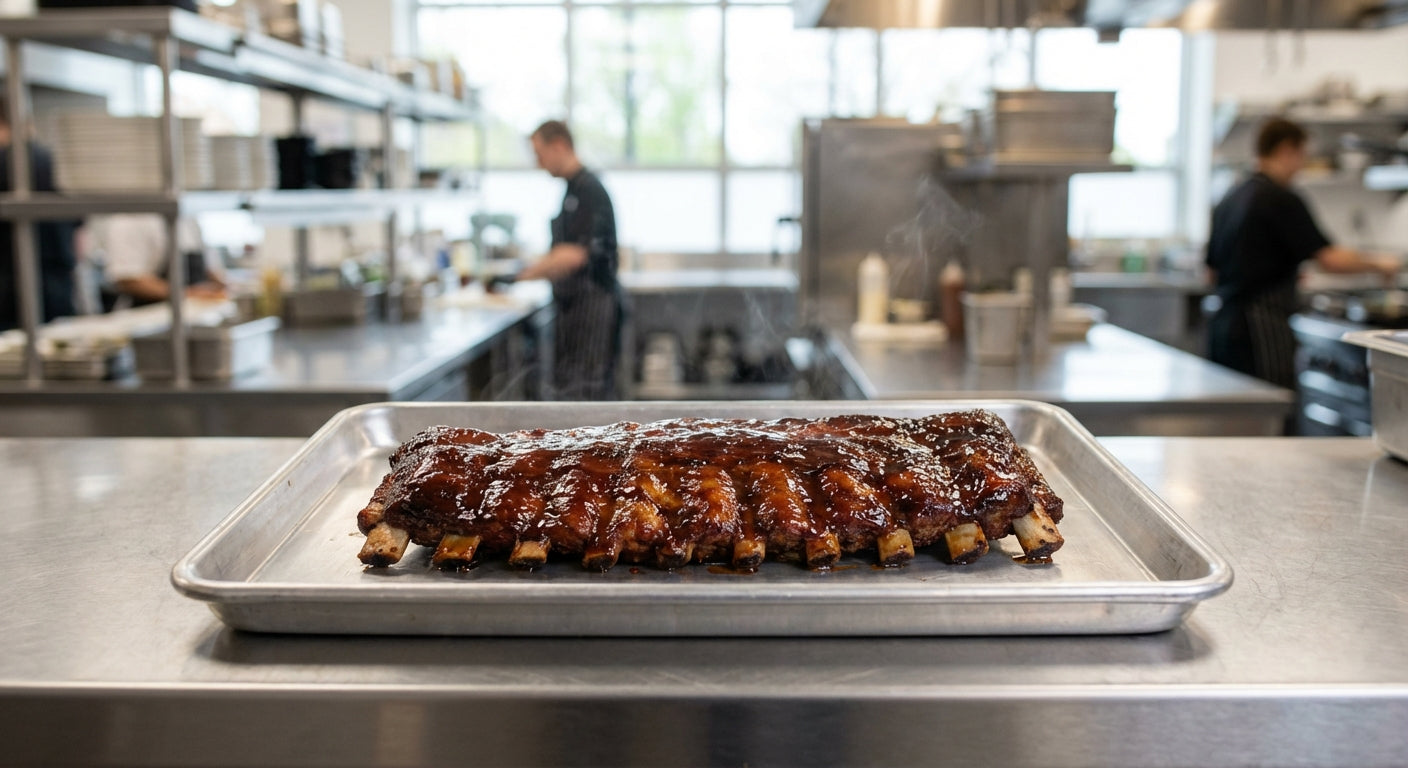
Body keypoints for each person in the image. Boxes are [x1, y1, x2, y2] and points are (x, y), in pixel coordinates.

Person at [1206, 117, 1399, 389]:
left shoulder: (1231, 196)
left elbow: (1211, 271)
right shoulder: (1279, 197)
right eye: (1302, 156)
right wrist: (1381, 264)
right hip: (1260, 329)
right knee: (1271, 409)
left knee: (1237, 412)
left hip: (1222, 327)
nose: (1301, 166)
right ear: (1287, 149)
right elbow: (1330, 259)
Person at [518, 120, 624, 400]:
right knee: (572, 388)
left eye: (540, 155)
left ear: (559, 146)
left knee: (586, 393)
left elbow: (574, 255)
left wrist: (521, 275)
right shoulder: (572, 189)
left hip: (593, 304)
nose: (538, 164)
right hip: (575, 305)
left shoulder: (589, 190)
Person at [0, 101, 79, 331]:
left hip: (12, 285)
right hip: (59, 280)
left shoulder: (6, 162)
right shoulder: (57, 161)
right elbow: (79, 231)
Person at [91, 215, 225, 310]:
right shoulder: (131, 218)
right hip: (147, 317)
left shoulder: (189, 217)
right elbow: (128, 279)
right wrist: (189, 294)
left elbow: (208, 267)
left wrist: (224, 287)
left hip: (195, 314)